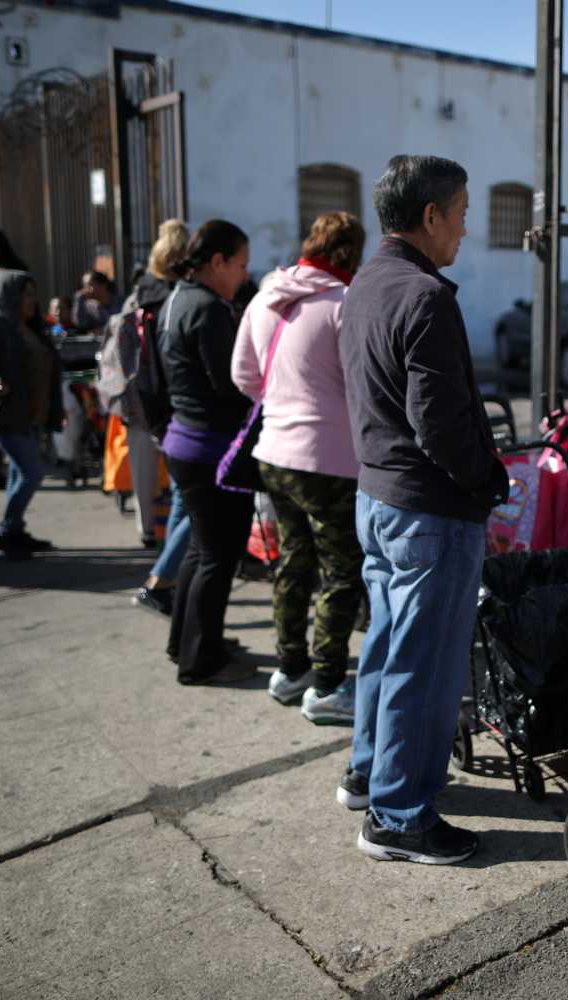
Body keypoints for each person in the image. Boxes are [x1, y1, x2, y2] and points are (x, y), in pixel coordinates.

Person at [339, 155, 507, 865]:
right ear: (430, 216)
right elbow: (438, 424)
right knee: (427, 662)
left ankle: (370, 772)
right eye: (463, 212)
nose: (466, 227)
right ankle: (398, 816)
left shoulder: (367, 282)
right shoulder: (424, 295)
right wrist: (488, 482)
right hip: (427, 510)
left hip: (379, 496)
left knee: (389, 643)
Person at [232, 211, 366, 723]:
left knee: (293, 560)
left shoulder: (268, 294)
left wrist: (284, 404)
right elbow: (363, 386)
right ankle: (329, 683)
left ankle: (289, 671)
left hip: (273, 453)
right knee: (341, 570)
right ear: (351, 254)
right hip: (328, 460)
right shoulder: (343, 302)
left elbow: (243, 374)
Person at [159, 219, 255, 684]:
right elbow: (230, 385)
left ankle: (190, 641)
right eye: (239, 265)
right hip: (210, 447)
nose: (242, 275)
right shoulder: (210, 310)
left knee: (201, 551)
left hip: (184, 440)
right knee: (218, 555)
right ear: (216, 262)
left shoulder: (176, 298)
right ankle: (201, 660)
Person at [0, 270, 64, 559]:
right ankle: (8, 531)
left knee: (20, 473)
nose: (32, 299)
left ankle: (14, 531)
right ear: (8, 296)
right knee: (33, 472)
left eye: (33, 293)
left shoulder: (30, 327)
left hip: (31, 414)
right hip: (2, 415)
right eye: (25, 293)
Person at [124, 219, 192, 612]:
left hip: (156, 413)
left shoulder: (140, 297)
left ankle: (166, 577)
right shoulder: (171, 301)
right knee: (197, 508)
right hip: (178, 414)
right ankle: (159, 581)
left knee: (184, 501)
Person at [73, 270, 117, 336]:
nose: (86, 290)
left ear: (103, 285)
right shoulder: (88, 307)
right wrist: (79, 299)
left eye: (89, 285)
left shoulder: (121, 303)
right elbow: (80, 324)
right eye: (84, 286)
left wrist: (103, 330)